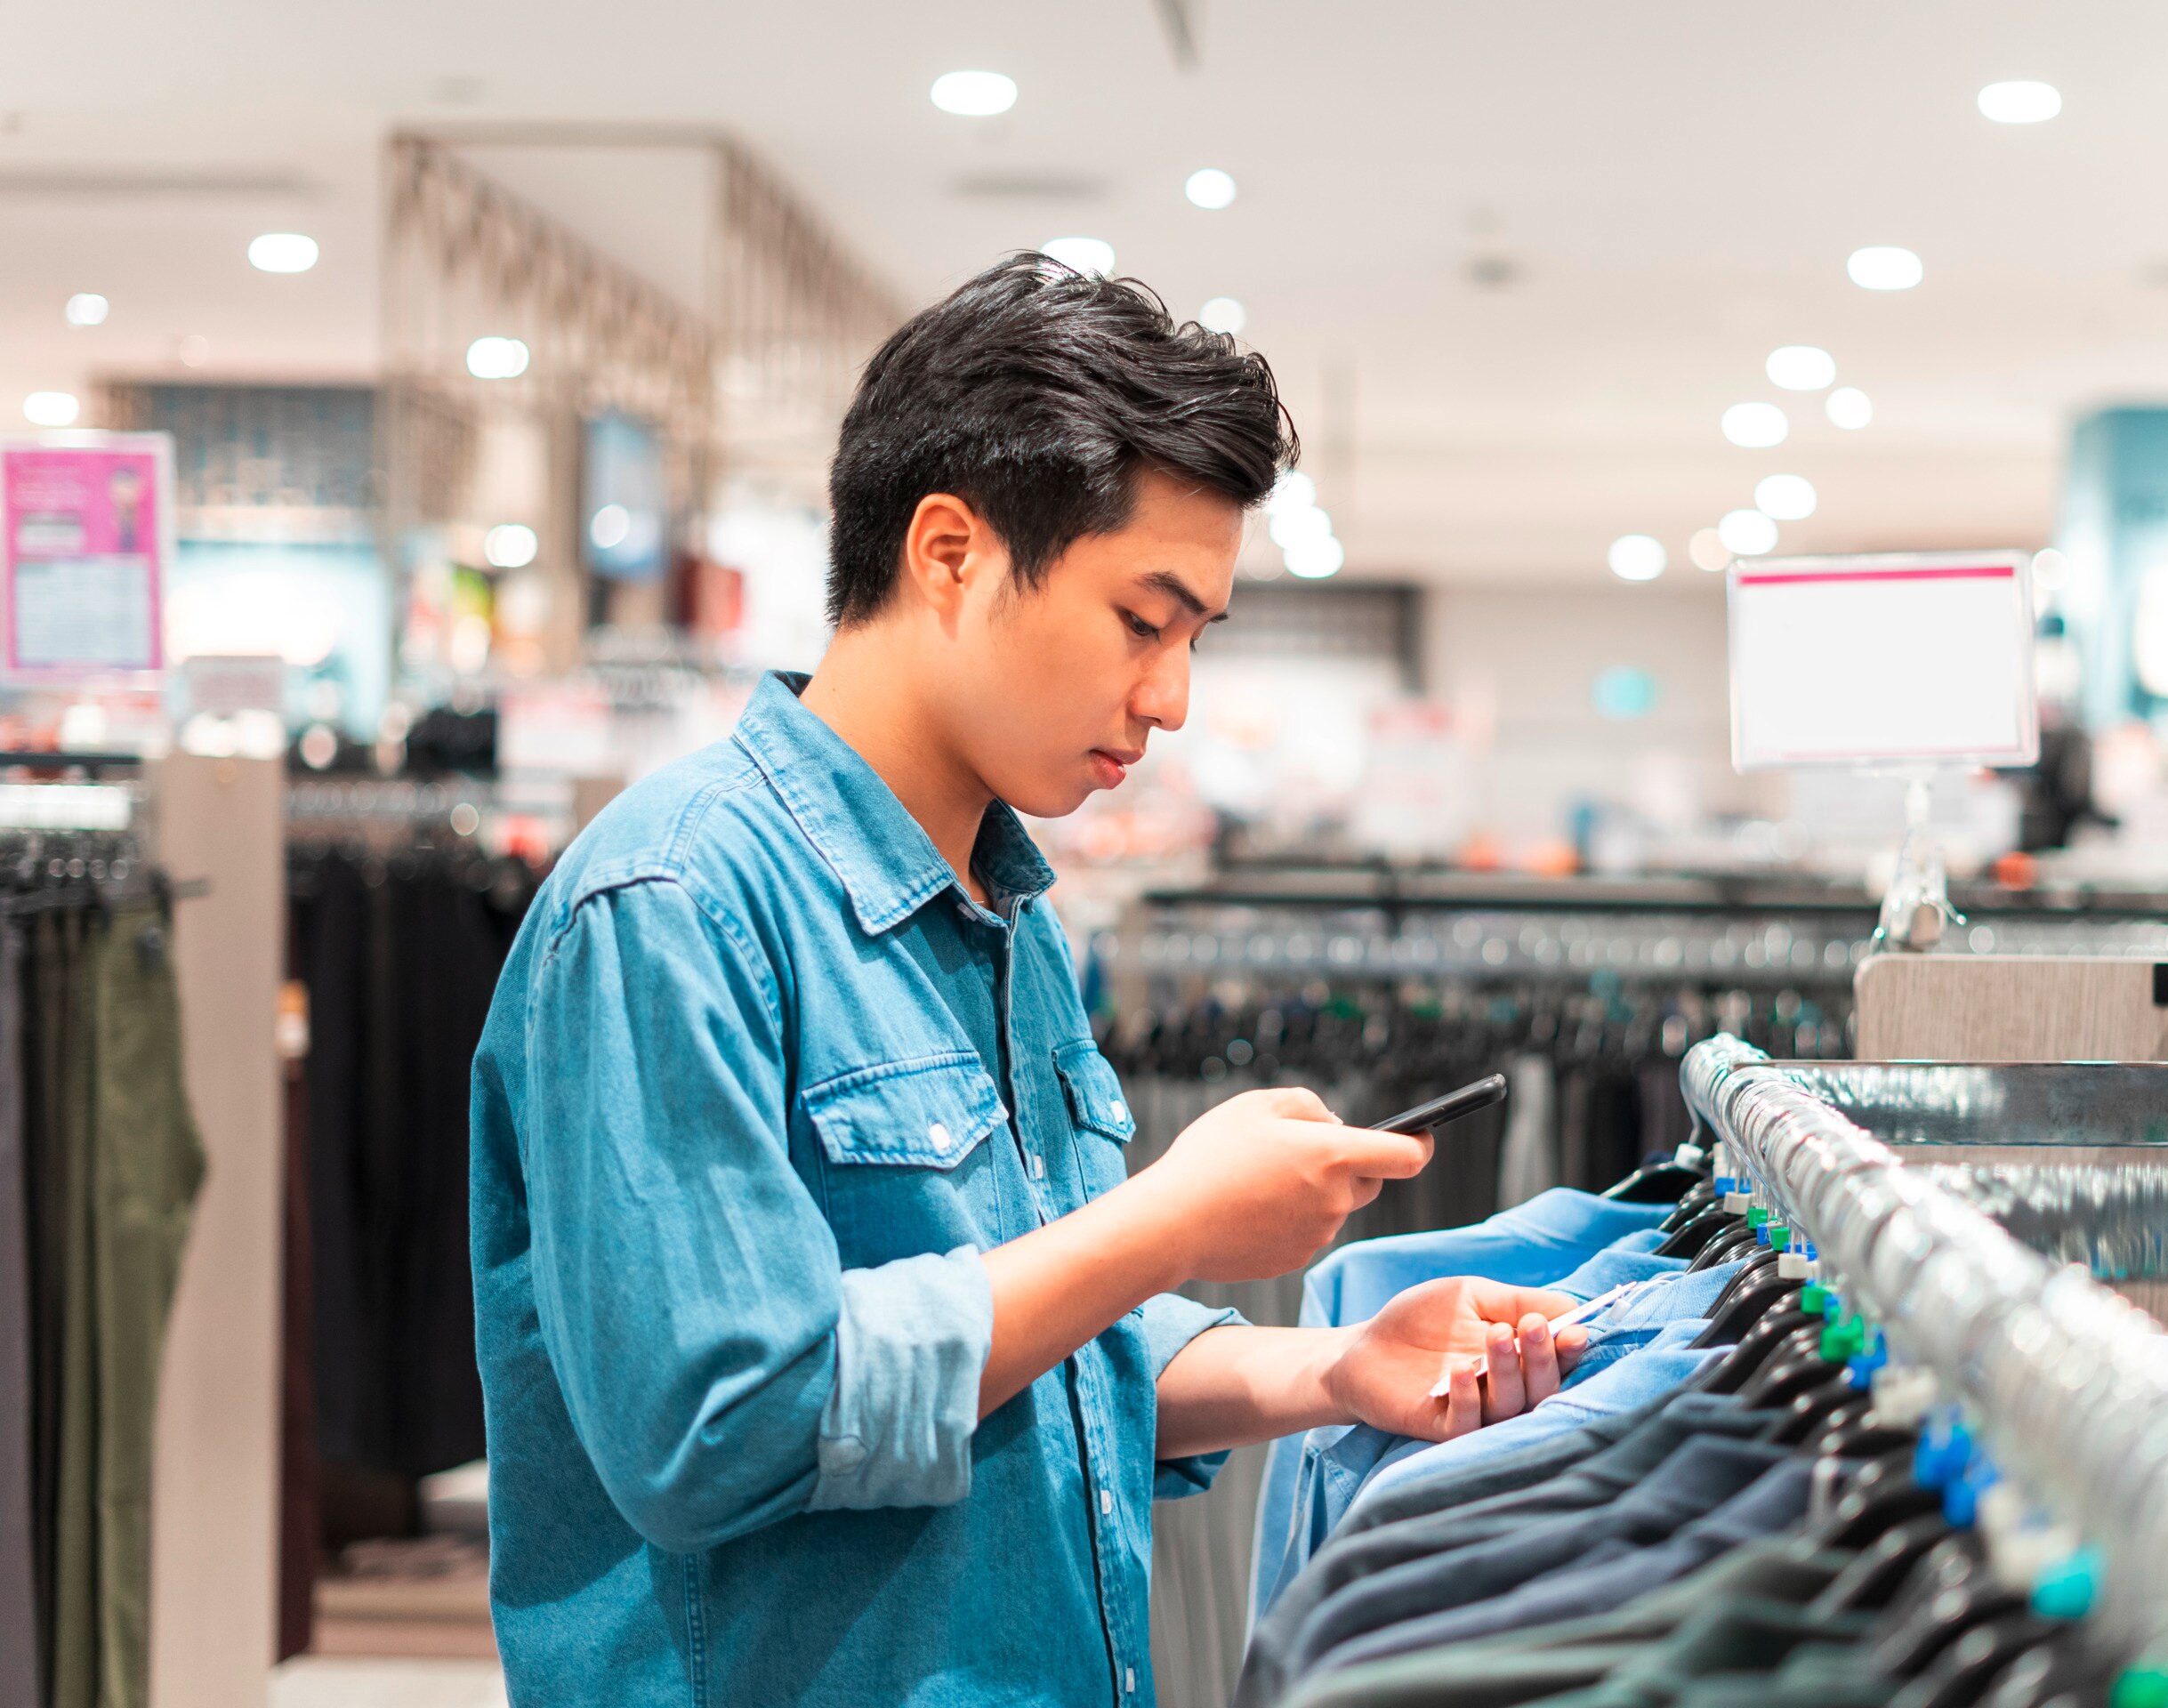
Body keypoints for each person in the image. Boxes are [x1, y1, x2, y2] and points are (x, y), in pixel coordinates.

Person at [469, 254, 1587, 1706]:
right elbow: (722, 1425)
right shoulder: (672, 903)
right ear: (950, 555)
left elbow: (1045, 1354)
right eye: (1143, 619)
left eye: (1194, 636)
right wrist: (1166, 1224)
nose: (1172, 696)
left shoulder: (1007, 909)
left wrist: (1329, 1369)